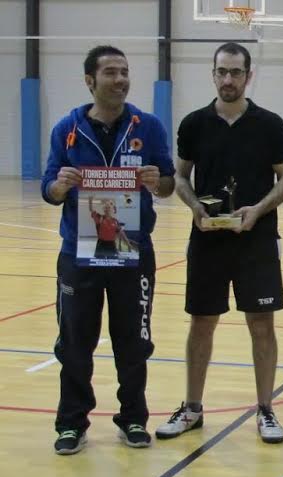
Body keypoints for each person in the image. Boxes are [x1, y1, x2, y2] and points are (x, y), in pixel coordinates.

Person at [155, 42, 283, 444]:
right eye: (222, 71)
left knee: (261, 325)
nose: (229, 79)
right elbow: (179, 176)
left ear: (248, 75)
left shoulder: (269, 125)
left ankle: (266, 409)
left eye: (236, 72)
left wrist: (259, 209)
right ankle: (192, 408)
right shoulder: (194, 124)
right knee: (201, 323)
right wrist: (196, 208)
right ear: (213, 74)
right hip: (208, 241)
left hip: (257, 241)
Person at [41, 45, 175, 454]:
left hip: (132, 251)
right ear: (90, 81)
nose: (120, 80)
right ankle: (71, 423)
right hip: (79, 254)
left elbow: (168, 184)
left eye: (125, 72)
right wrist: (60, 187)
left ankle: (133, 419)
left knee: (133, 341)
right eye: (111, 73)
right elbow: (48, 188)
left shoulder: (147, 126)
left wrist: (157, 181)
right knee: (74, 342)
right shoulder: (67, 127)